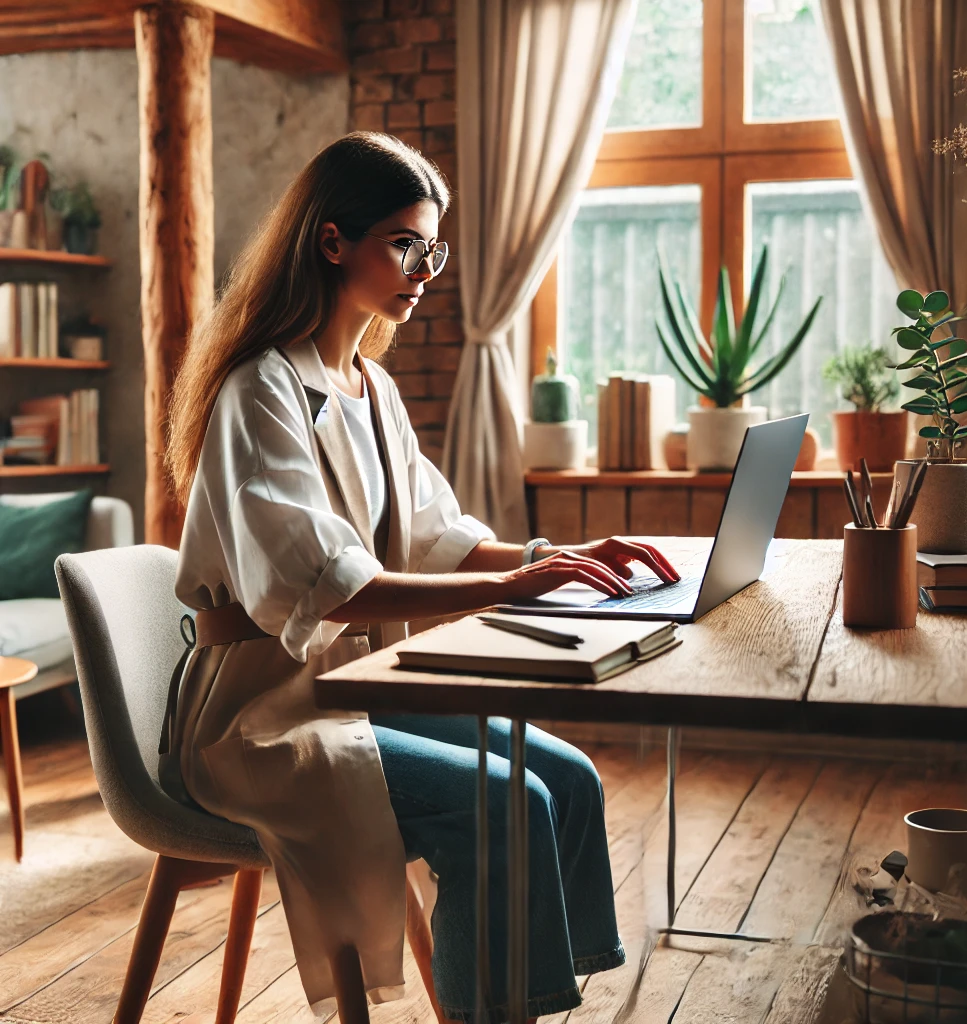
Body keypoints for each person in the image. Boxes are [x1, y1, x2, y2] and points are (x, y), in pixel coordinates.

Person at [162, 131, 680, 1024]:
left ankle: (531, 999)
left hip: (352, 688)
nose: (425, 268)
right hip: (261, 713)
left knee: (571, 777)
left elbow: (439, 537)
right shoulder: (261, 392)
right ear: (333, 242)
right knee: (504, 803)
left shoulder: (372, 386)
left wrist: (553, 560)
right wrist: (510, 590)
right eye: (405, 243)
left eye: (429, 247)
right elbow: (338, 587)